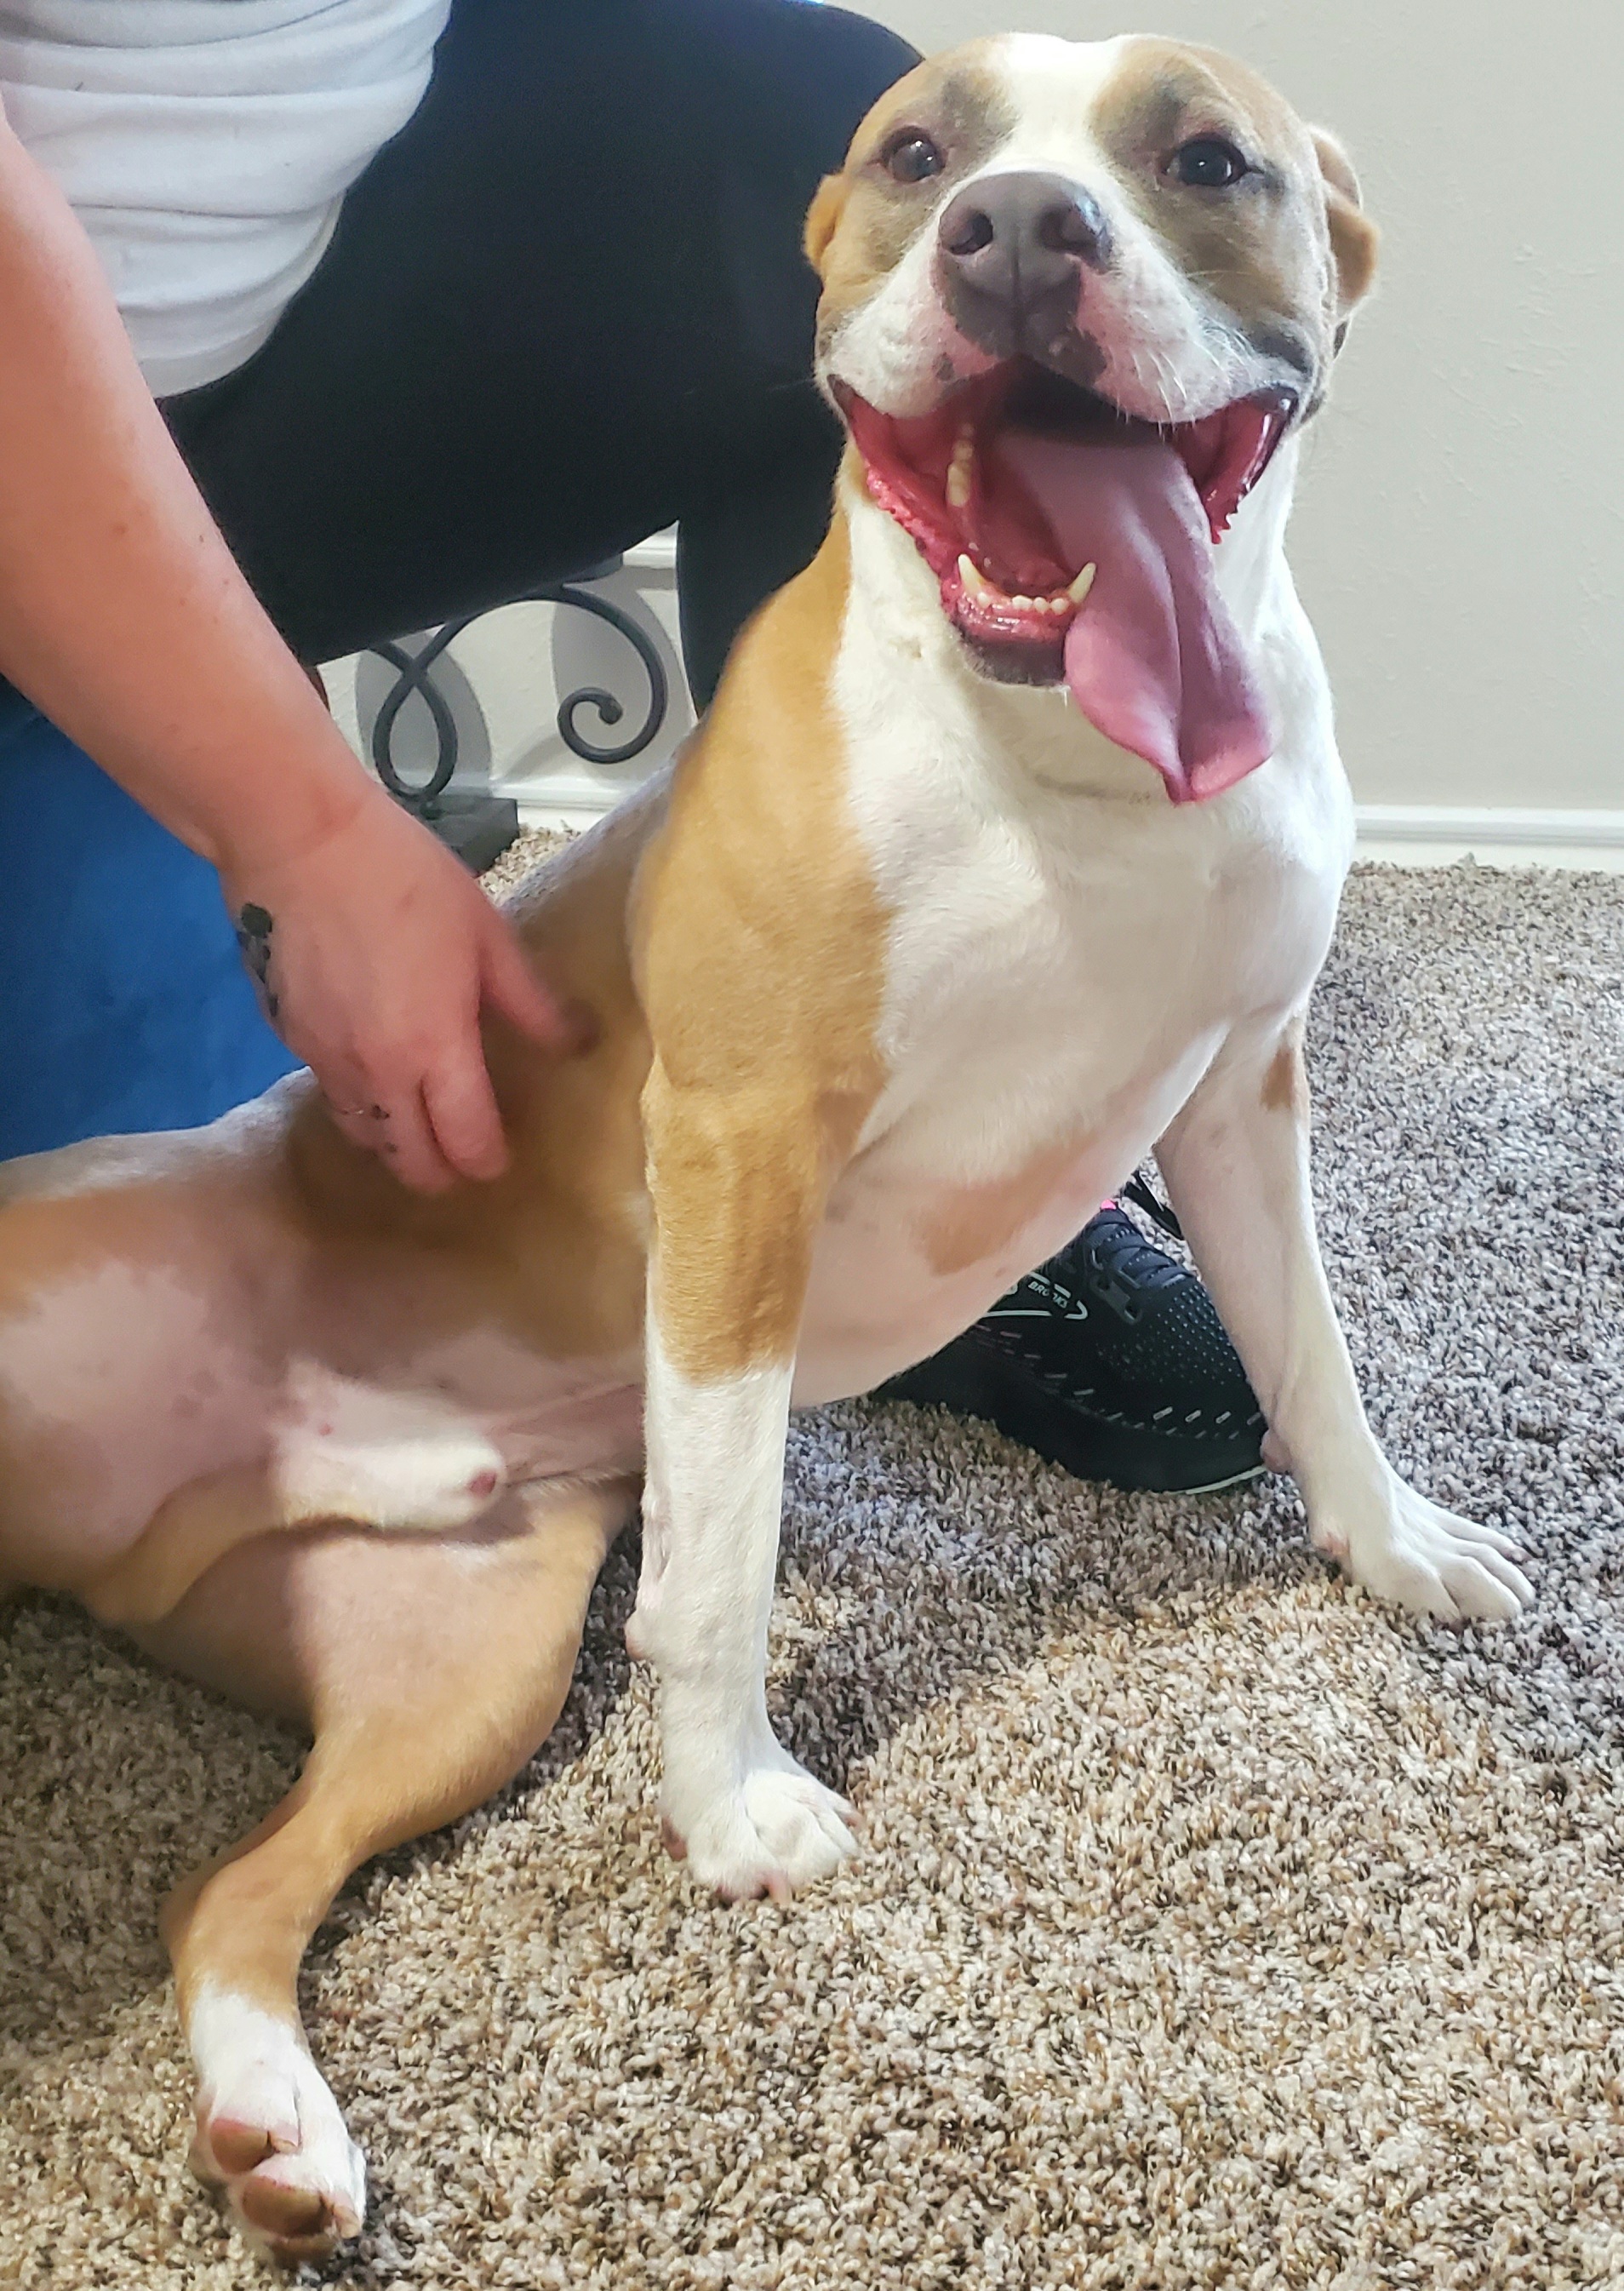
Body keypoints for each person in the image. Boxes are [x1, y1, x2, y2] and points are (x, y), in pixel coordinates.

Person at [0, 0, 1265, 1492]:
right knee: (178, 1319)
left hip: (302, 283)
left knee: (871, 159)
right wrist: (305, 832)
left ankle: (895, 1120)